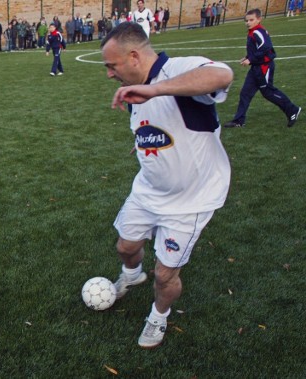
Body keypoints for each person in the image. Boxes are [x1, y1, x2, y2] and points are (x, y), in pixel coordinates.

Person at [100, 22, 234, 348]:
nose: (109, 75)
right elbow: (157, 125)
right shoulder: (134, 89)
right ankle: (132, 274)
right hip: (147, 190)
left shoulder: (177, 69)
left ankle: (158, 317)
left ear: (133, 56)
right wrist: (145, 142)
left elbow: (223, 75)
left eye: (111, 66)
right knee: (126, 247)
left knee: (165, 275)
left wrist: (156, 89)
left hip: (191, 200)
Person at [224, 9, 301, 128]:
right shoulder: (252, 31)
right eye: (246, 20)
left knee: (268, 92)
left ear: (259, 19)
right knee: (245, 93)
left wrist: (251, 59)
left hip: (264, 67)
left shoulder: (258, 31)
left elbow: (267, 48)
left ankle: (293, 110)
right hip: (255, 68)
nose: (248, 22)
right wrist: (247, 56)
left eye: (251, 20)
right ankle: (239, 121)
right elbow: (257, 49)